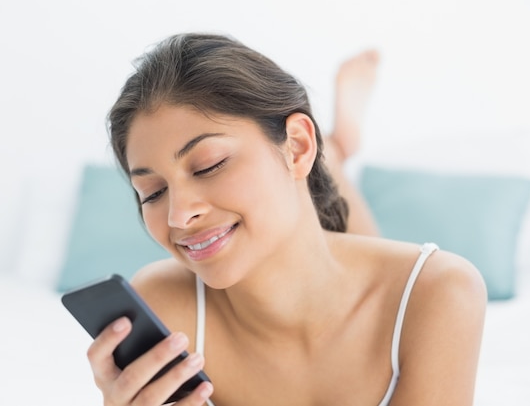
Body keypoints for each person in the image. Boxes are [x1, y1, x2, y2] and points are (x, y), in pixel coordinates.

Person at [87, 33, 487, 406]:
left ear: (296, 147)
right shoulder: (165, 308)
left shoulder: (441, 292)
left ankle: (335, 148)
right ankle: (337, 146)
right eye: (153, 193)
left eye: (209, 166)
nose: (179, 215)